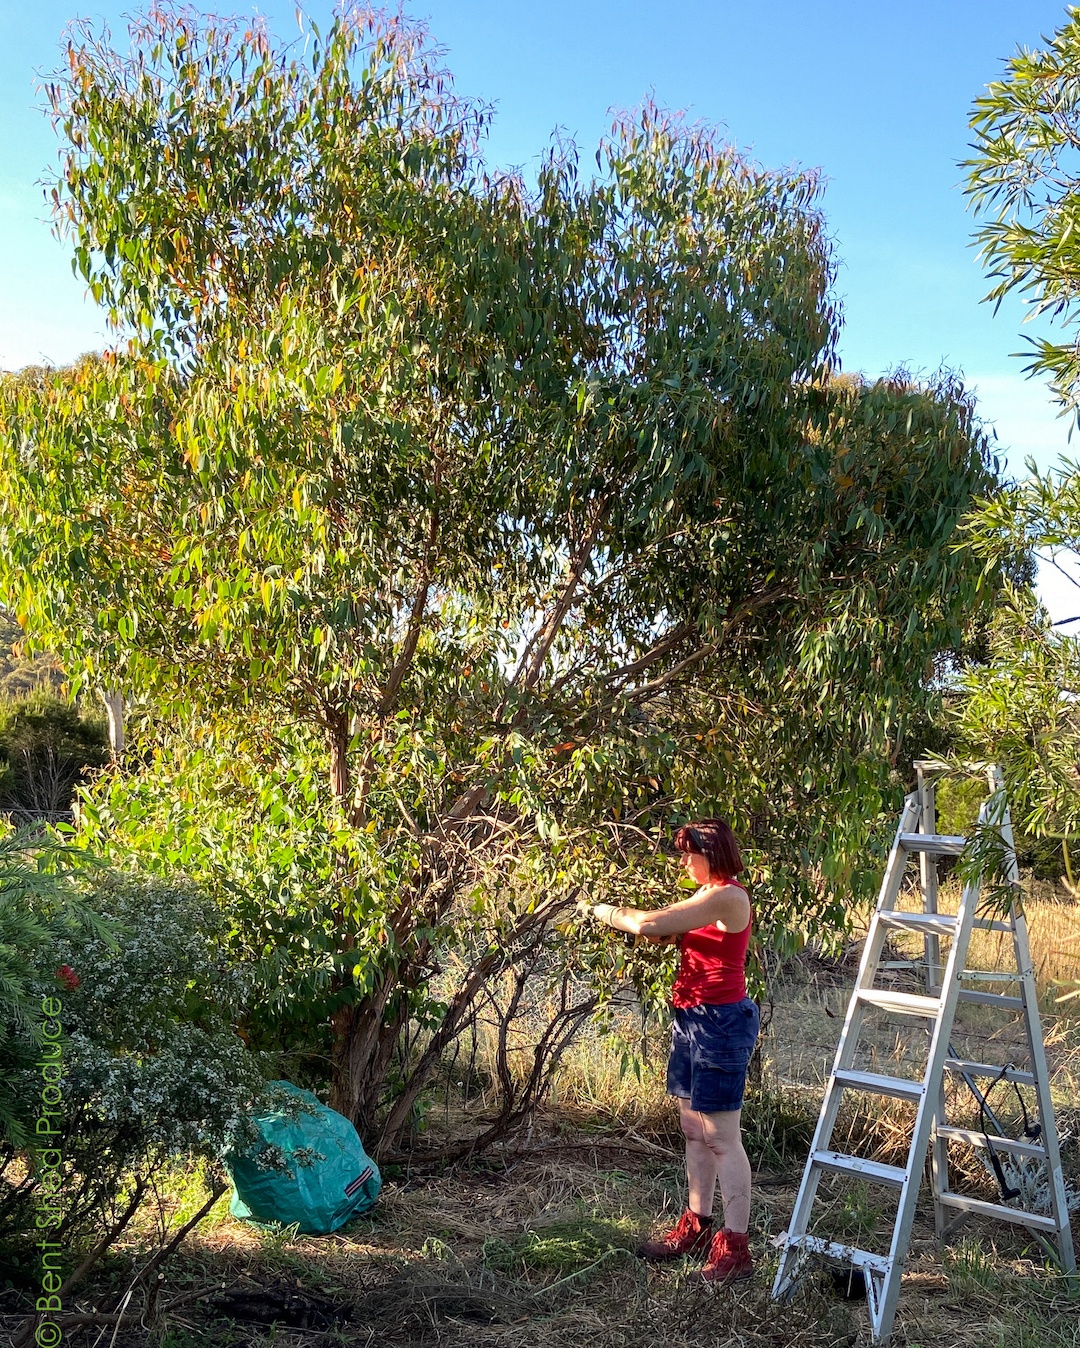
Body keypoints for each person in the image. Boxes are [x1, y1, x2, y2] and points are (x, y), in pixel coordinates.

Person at [583, 817, 758, 1284]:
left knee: (722, 1137)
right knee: (693, 1130)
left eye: (689, 853)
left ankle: (735, 1248)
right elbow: (667, 930)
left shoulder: (728, 895)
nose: (683, 862)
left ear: (711, 855)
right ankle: (697, 1227)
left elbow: (650, 924)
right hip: (693, 1018)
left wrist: (599, 909)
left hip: (720, 1024)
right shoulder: (706, 897)